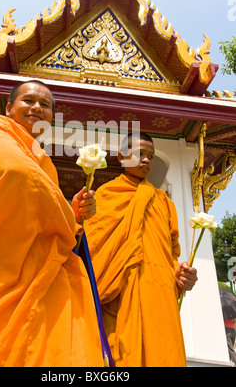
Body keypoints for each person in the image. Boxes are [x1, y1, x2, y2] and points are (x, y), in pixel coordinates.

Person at [0, 79, 108, 367]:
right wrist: (66, 214)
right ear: (9, 107)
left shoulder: (44, 161)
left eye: (47, 105)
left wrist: (73, 210)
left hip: (38, 270)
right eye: (29, 101)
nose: (38, 108)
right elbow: (17, 176)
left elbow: (40, 204)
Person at [84, 131, 198, 367]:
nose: (146, 160)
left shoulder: (164, 202)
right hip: (121, 291)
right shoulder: (106, 195)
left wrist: (180, 274)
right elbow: (93, 250)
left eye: (151, 156)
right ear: (121, 157)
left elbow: (170, 255)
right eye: (139, 154)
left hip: (159, 292)